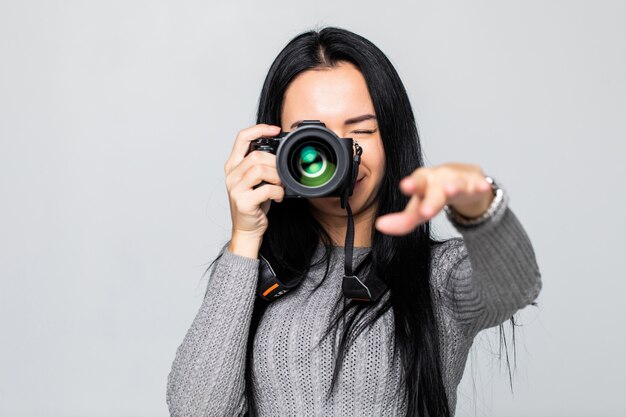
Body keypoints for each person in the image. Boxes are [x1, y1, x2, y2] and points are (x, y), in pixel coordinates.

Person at [166, 27, 542, 417]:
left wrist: (479, 205)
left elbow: (516, 286)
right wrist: (244, 237)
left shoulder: (438, 275)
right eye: (314, 138)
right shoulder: (252, 277)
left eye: (361, 130)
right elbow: (195, 410)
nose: (341, 154)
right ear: (279, 151)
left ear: (393, 137)